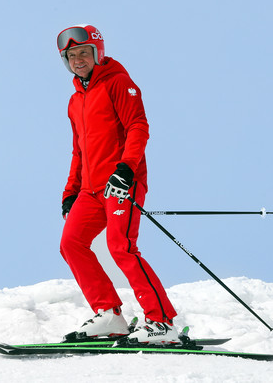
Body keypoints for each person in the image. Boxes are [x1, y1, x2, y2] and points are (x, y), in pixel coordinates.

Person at [57, 24, 179, 345]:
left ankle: (161, 321)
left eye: (84, 52)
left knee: (121, 246)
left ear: (98, 53)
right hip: (90, 189)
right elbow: (78, 150)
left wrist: (126, 169)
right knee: (71, 244)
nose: (78, 59)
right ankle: (110, 315)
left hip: (121, 183)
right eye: (71, 55)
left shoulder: (118, 83)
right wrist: (71, 191)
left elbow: (138, 126)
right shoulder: (75, 101)